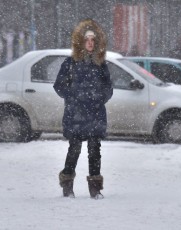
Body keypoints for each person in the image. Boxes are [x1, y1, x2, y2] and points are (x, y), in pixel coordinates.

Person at [53, 19, 113, 199]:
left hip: (95, 114)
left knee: (95, 151)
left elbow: (108, 88)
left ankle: (95, 189)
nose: (90, 43)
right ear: (80, 41)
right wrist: (73, 97)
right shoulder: (70, 63)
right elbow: (59, 86)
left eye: (93, 40)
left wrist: (99, 98)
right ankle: (67, 186)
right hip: (75, 115)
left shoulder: (101, 65)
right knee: (75, 150)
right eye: (87, 39)